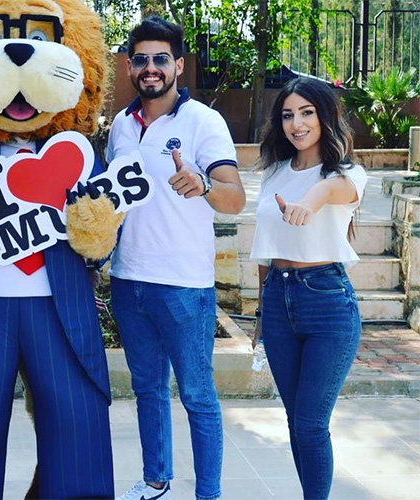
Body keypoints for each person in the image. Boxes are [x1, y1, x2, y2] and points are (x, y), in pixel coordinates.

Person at [108, 16, 246, 500]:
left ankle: (208, 493)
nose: (150, 68)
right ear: (130, 66)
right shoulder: (120, 126)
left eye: (161, 59)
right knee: (147, 389)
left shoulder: (203, 121)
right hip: (128, 279)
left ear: (179, 66)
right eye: (141, 59)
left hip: (184, 285)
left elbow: (235, 197)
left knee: (197, 396)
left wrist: (203, 184)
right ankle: (155, 480)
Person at [249, 77, 366, 500]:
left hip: (327, 303)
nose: (296, 124)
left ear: (325, 116)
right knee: (295, 421)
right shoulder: (274, 173)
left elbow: (330, 189)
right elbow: (266, 252)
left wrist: (308, 203)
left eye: (306, 113)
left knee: (312, 424)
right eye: (287, 115)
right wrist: (261, 315)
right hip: (278, 302)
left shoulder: (347, 174)